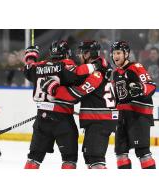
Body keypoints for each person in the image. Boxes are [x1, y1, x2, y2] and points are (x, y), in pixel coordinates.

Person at [42, 41, 118, 169]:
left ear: (88, 54)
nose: (79, 55)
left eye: (81, 52)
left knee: (96, 160)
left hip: (99, 121)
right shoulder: (100, 67)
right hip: (97, 120)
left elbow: (77, 93)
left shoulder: (97, 73)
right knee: (90, 160)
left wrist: (54, 90)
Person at [23, 41, 82, 169]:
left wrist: (31, 54)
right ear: (66, 53)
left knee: (33, 159)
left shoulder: (37, 67)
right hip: (63, 120)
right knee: (69, 160)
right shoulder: (66, 65)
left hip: (41, 119)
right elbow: (78, 79)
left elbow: (28, 69)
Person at [111, 41, 156, 169]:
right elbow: (118, 99)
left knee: (143, 153)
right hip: (122, 117)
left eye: (118, 53)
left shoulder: (136, 66)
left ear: (126, 54)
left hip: (138, 116)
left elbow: (151, 86)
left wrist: (141, 88)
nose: (115, 56)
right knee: (120, 154)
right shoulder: (115, 73)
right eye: (114, 53)